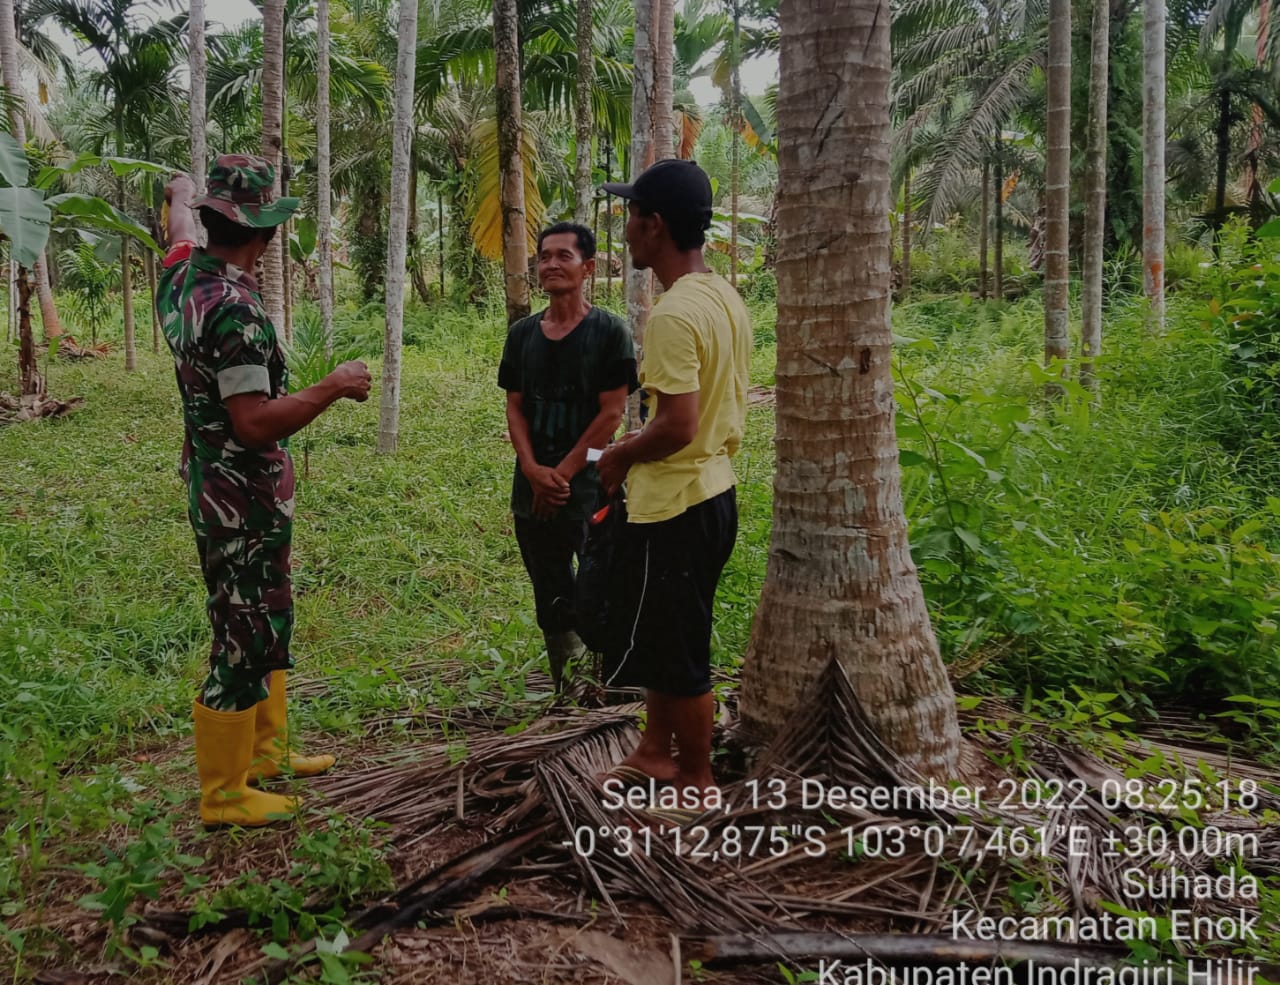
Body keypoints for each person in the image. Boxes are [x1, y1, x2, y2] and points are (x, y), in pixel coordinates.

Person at [160, 156, 372, 827]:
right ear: (265, 235)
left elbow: (174, 233)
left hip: (212, 481)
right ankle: (224, 791)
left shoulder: (181, 280)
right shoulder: (235, 313)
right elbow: (253, 423)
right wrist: (333, 385)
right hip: (239, 493)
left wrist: (180, 193)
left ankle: (266, 750)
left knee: (265, 611)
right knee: (241, 631)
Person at [596, 159, 752, 808]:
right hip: (713, 491)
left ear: (654, 226)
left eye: (631, 214)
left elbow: (679, 423)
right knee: (665, 631)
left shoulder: (672, 315)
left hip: (679, 502)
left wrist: (622, 455)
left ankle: (696, 779)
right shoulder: (722, 295)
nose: (624, 226)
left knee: (683, 647)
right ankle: (655, 751)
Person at [498, 222, 638, 691]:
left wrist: (561, 472)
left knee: (603, 583)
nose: (552, 264)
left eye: (564, 256)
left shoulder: (609, 331)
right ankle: (571, 686)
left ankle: (615, 684)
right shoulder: (521, 335)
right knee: (549, 586)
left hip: (593, 483)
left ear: (588, 267)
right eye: (544, 257)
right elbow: (514, 406)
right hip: (533, 488)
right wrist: (533, 471)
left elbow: (612, 413)